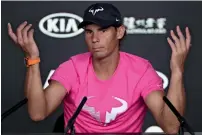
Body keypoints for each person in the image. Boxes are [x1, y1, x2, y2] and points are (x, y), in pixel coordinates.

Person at [7, 3, 191, 134]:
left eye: (102, 30)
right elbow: (38, 113)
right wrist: (32, 59)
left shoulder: (141, 70)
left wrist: (177, 70)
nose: (94, 38)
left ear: (119, 32)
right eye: (89, 31)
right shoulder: (72, 67)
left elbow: (171, 127)